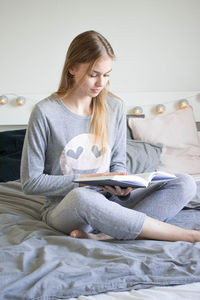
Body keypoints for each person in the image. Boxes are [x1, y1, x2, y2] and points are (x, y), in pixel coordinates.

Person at [20, 30, 200, 242]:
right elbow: (31, 182)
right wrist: (86, 182)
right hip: (67, 207)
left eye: (106, 75)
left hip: (112, 200)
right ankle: (188, 236)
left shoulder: (114, 107)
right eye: (93, 74)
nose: (100, 83)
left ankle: (104, 236)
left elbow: (117, 163)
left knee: (185, 182)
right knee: (82, 196)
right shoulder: (45, 112)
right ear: (72, 69)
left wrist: (121, 186)